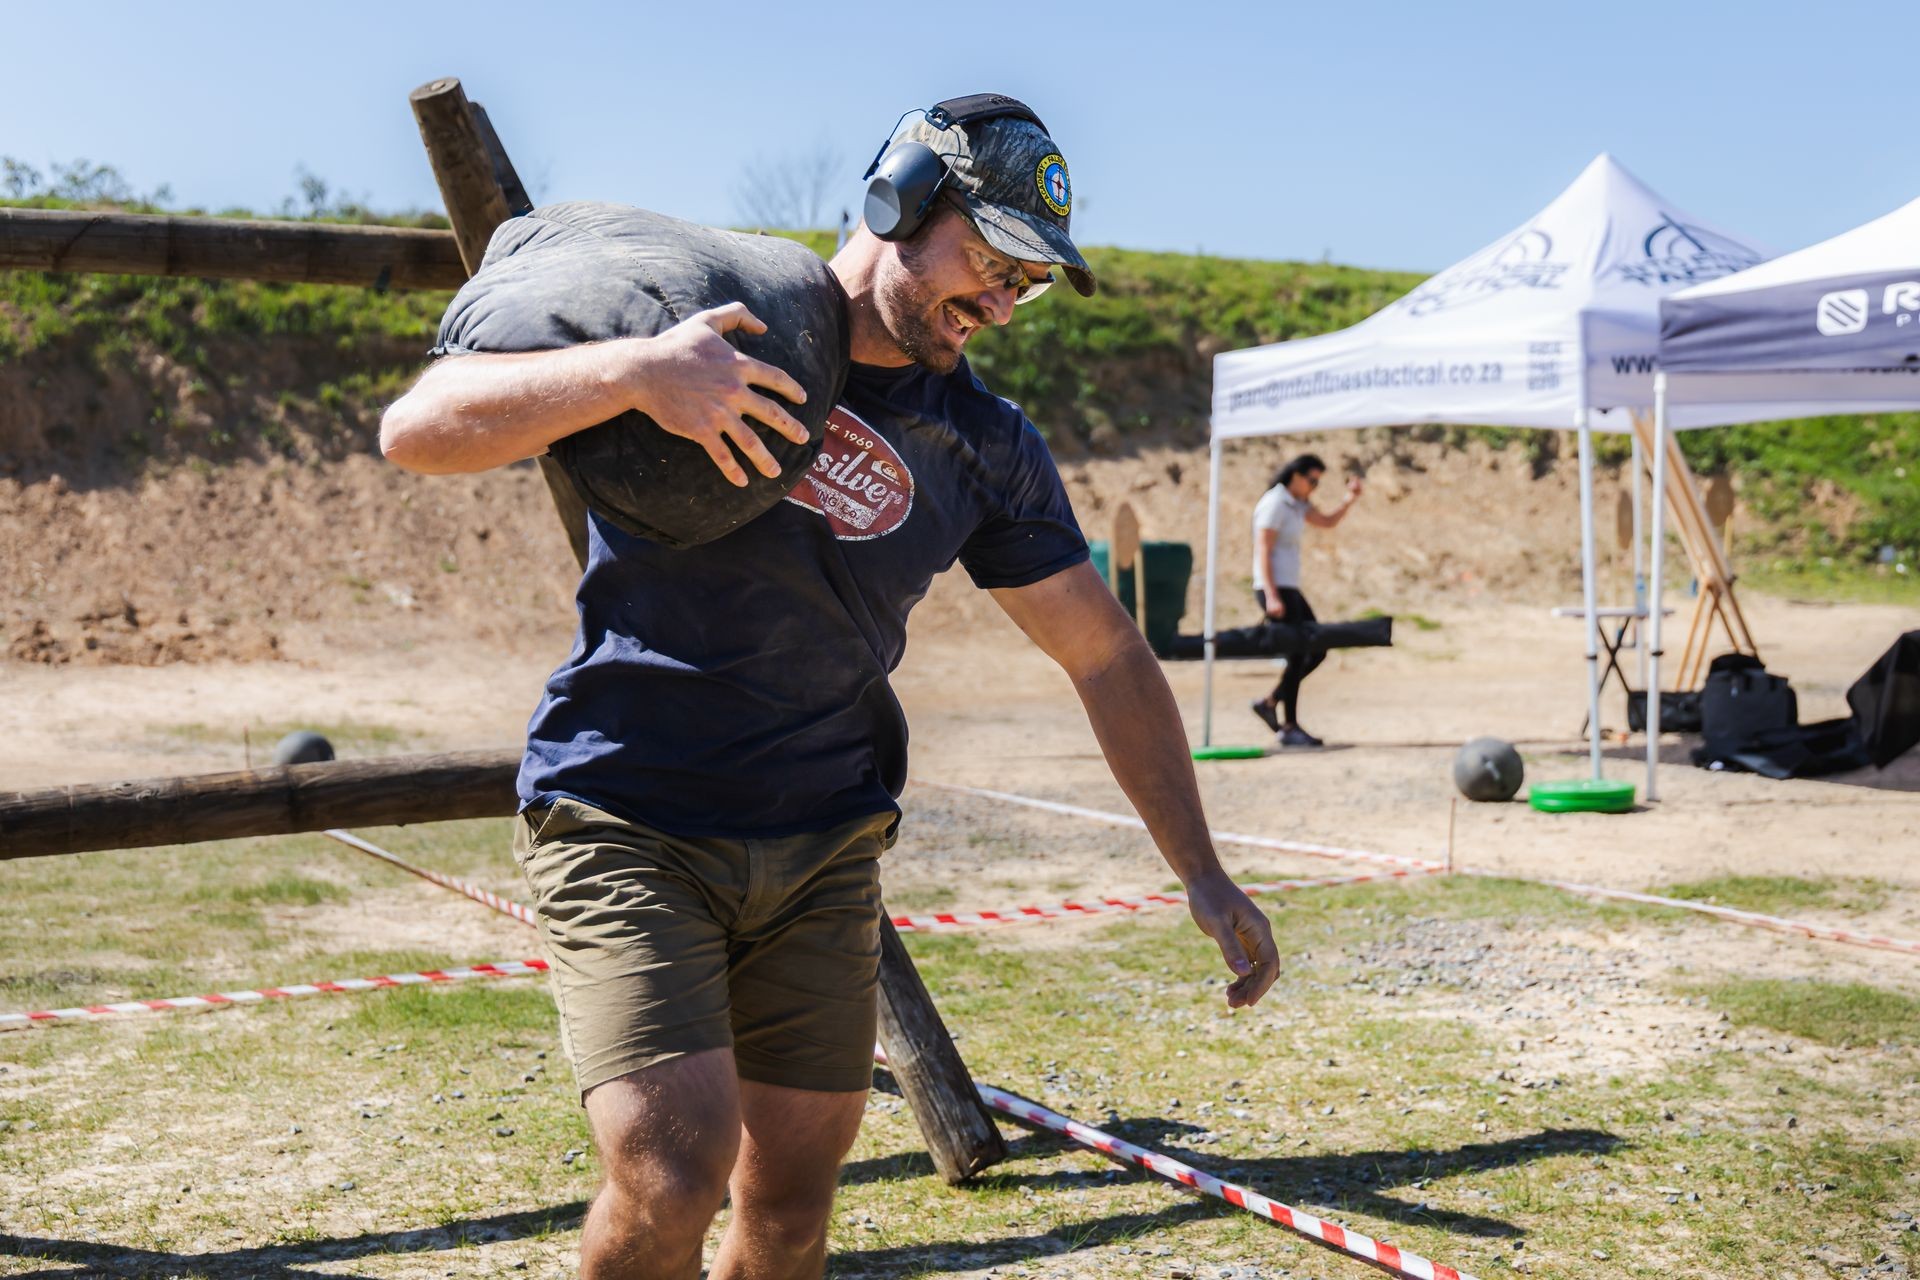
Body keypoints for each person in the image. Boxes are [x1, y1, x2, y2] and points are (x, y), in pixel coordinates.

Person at [381, 97, 1279, 1280]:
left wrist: (1204, 871)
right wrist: (638, 375)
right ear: (898, 200)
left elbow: (1104, 653)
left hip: (822, 843)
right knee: (671, 1169)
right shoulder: (708, 332)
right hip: (628, 812)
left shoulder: (985, 444)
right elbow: (420, 427)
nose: (1003, 301)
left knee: (794, 1208)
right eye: (988, 259)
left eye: (1028, 280)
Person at [1248, 453, 1362, 748]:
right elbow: (1263, 549)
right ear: (1295, 476)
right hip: (1276, 588)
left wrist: (1349, 500)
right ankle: (1289, 724)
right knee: (1299, 652)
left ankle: (1272, 702)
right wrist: (1271, 594)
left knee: (1316, 647)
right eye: (1311, 481)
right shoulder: (1274, 503)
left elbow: (1326, 521)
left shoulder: (1296, 505)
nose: (1313, 487)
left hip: (1289, 588)